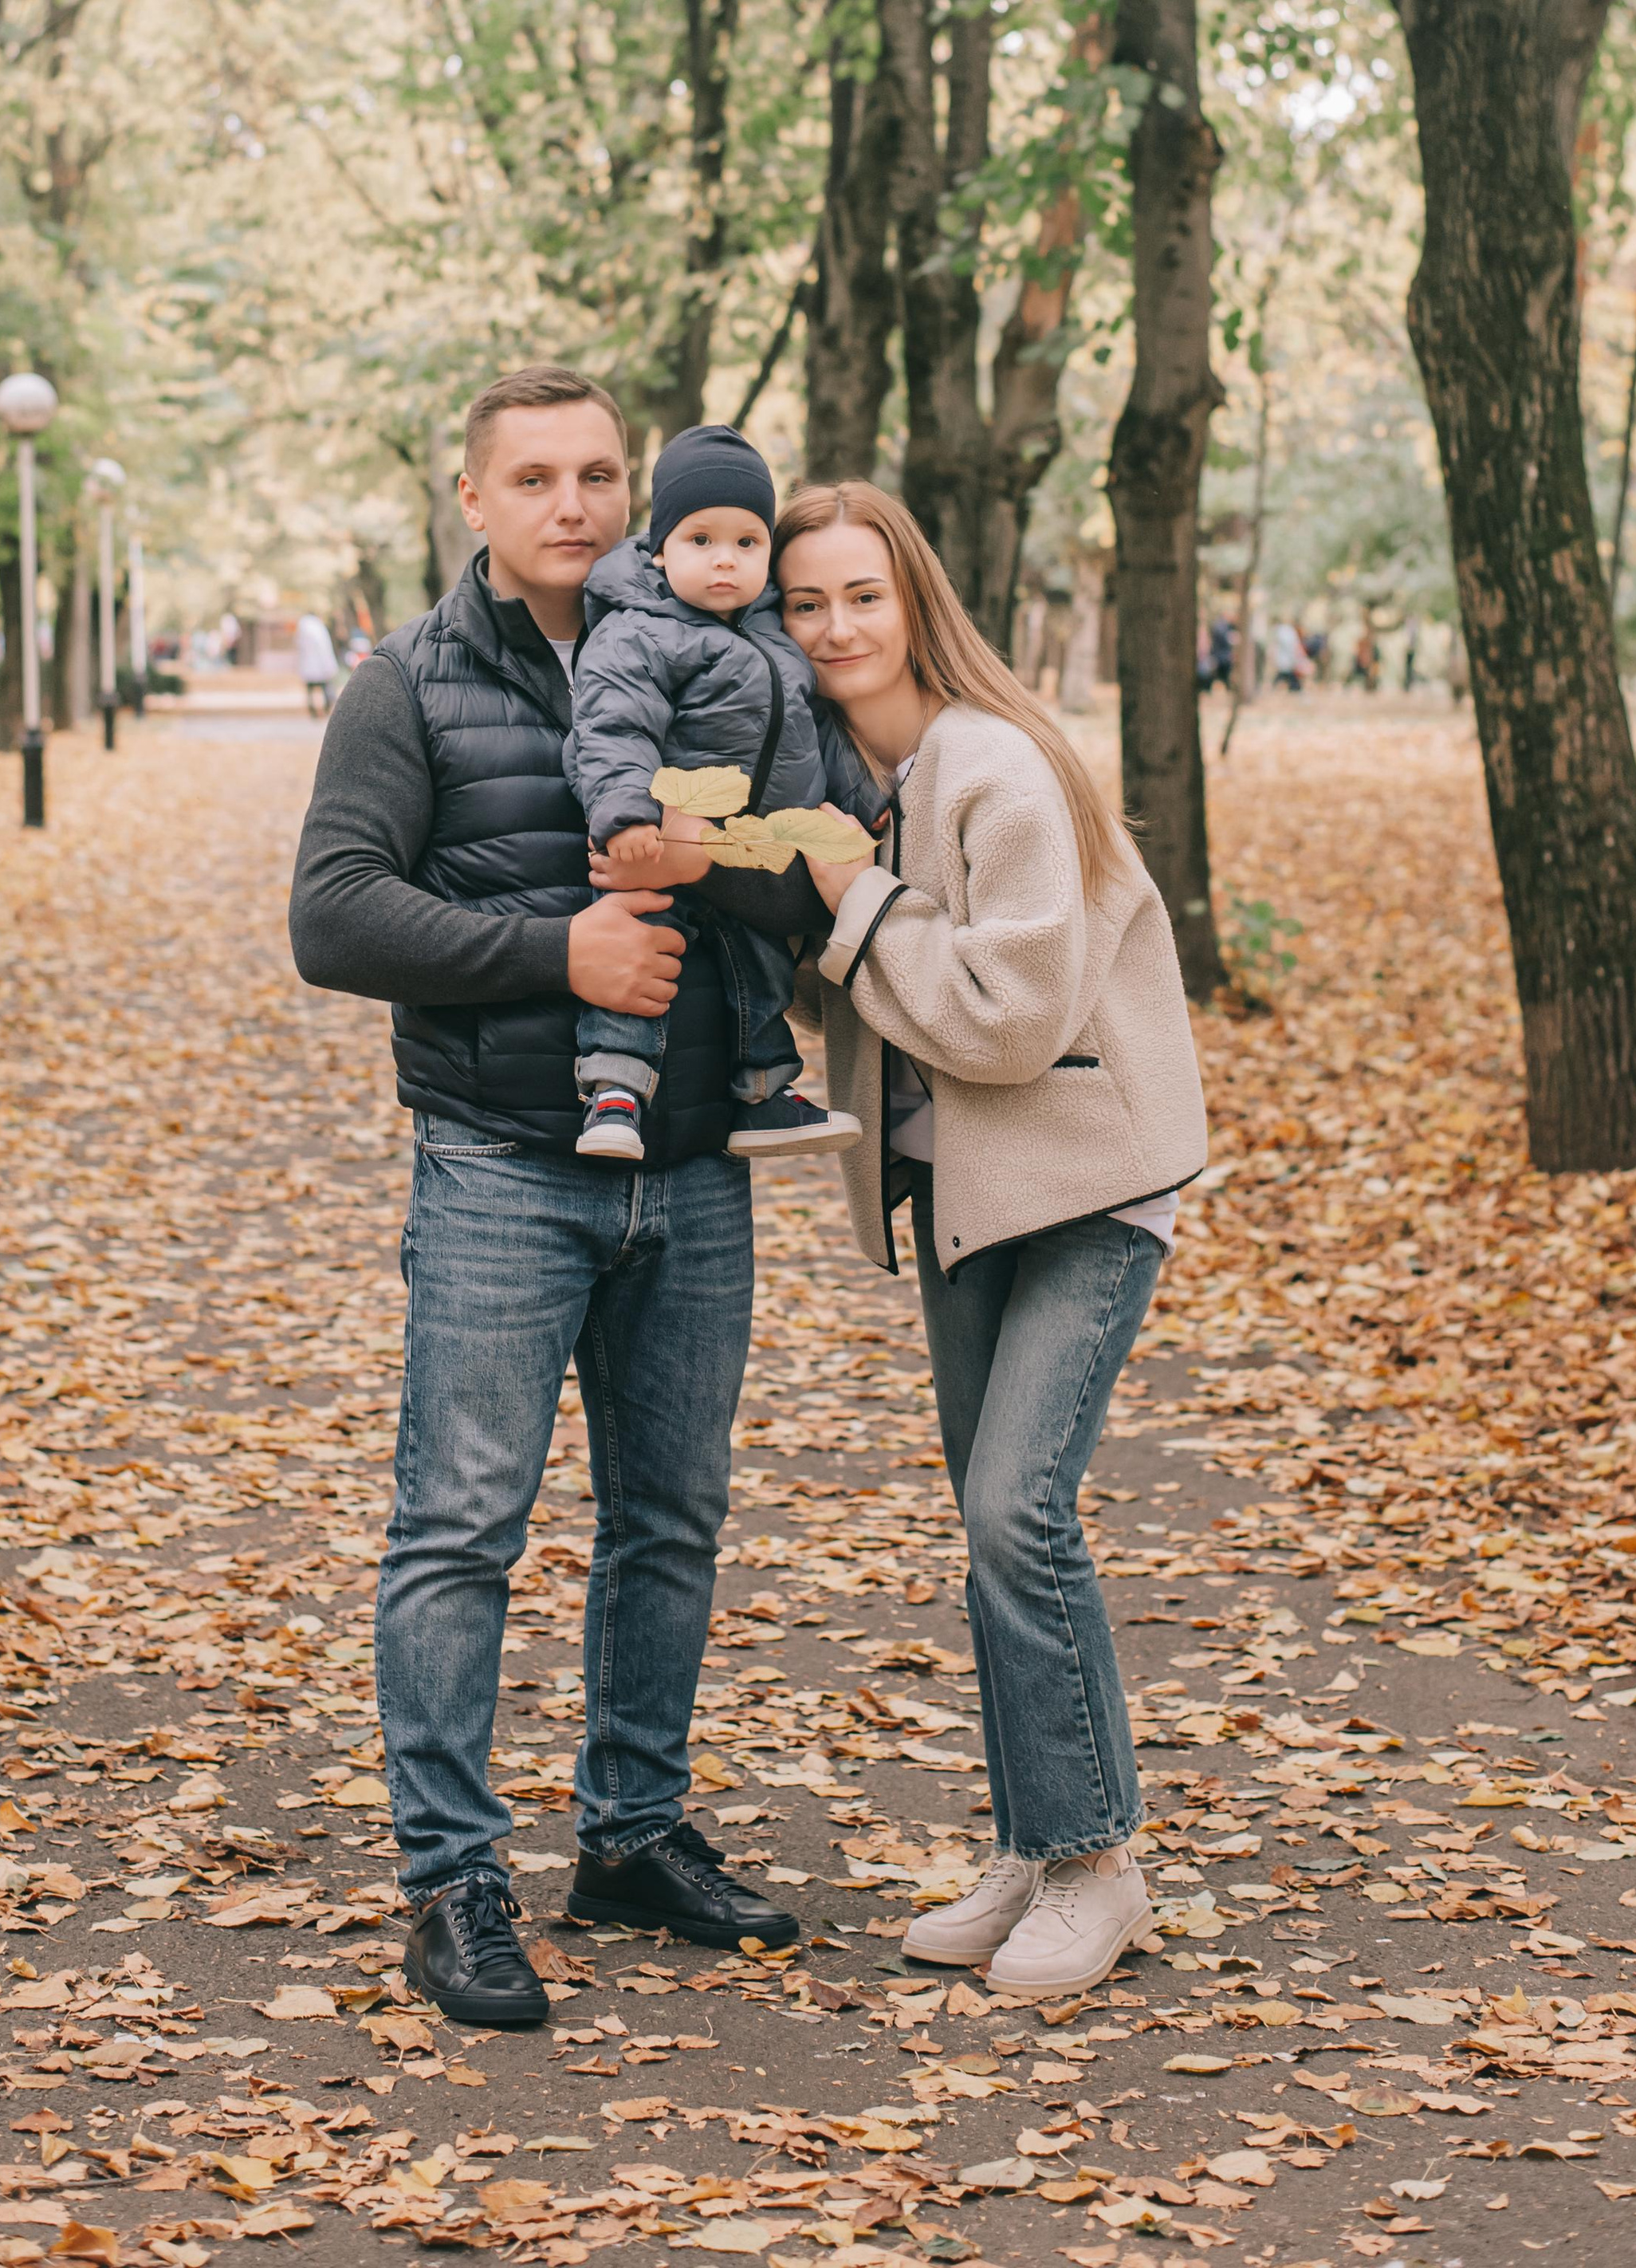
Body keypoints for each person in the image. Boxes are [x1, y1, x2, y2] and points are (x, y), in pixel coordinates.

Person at [288, 368, 805, 2033]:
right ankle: (451, 1878)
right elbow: (336, 918)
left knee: (668, 1523)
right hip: (502, 1166)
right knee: (459, 1529)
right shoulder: (411, 683)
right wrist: (552, 952)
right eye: (536, 478)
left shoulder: (729, 656)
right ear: (477, 501)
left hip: (696, 1172)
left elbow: (794, 863)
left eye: (598, 473)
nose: (573, 503)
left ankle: (632, 1838)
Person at [773, 481, 1206, 1997]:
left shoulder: (988, 763)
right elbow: (862, 989)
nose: (833, 626)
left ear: (916, 604)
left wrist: (851, 899)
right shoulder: (848, 773)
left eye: (859, 596)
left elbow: (1013, 1018)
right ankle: (1035, 1838)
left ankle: (1099, 1861)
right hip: (964, 1191)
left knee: (1021, 1509)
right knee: (988, 1521)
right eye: (802, 602)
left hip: (1084, 1178)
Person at [564, 420, 877, 1162]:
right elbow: (612, 726)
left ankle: (764, 1095)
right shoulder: (639, 632)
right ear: (660, 546)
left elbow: (819, 730)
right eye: (700, 541)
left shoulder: (773, 634)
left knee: (763, 968)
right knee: (645, 953)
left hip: (756, 846)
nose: (725, 561)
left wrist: (862, 800)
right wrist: (626, 811)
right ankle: (614, 1091)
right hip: (673, 833)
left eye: (746, 543)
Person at [295, 608, 340, 715]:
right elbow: (324, 647)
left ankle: (312, 710)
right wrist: (329, 664)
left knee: (310, 689)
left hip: (308, 664)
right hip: (320, 665)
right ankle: (325, 708)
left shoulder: (302, 627)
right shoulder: (318, 627)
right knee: (324, 687)